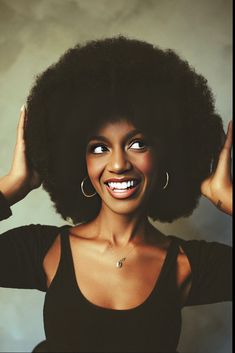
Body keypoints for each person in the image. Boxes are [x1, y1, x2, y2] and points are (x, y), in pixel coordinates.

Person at [0, 36, 232, 353]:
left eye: (138, 143)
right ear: (77, 160)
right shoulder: (44, 250)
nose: (119, 164)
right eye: (99, 148)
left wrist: (225, 198)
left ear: (167, 152)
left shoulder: (188, 264)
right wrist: (13, 185)